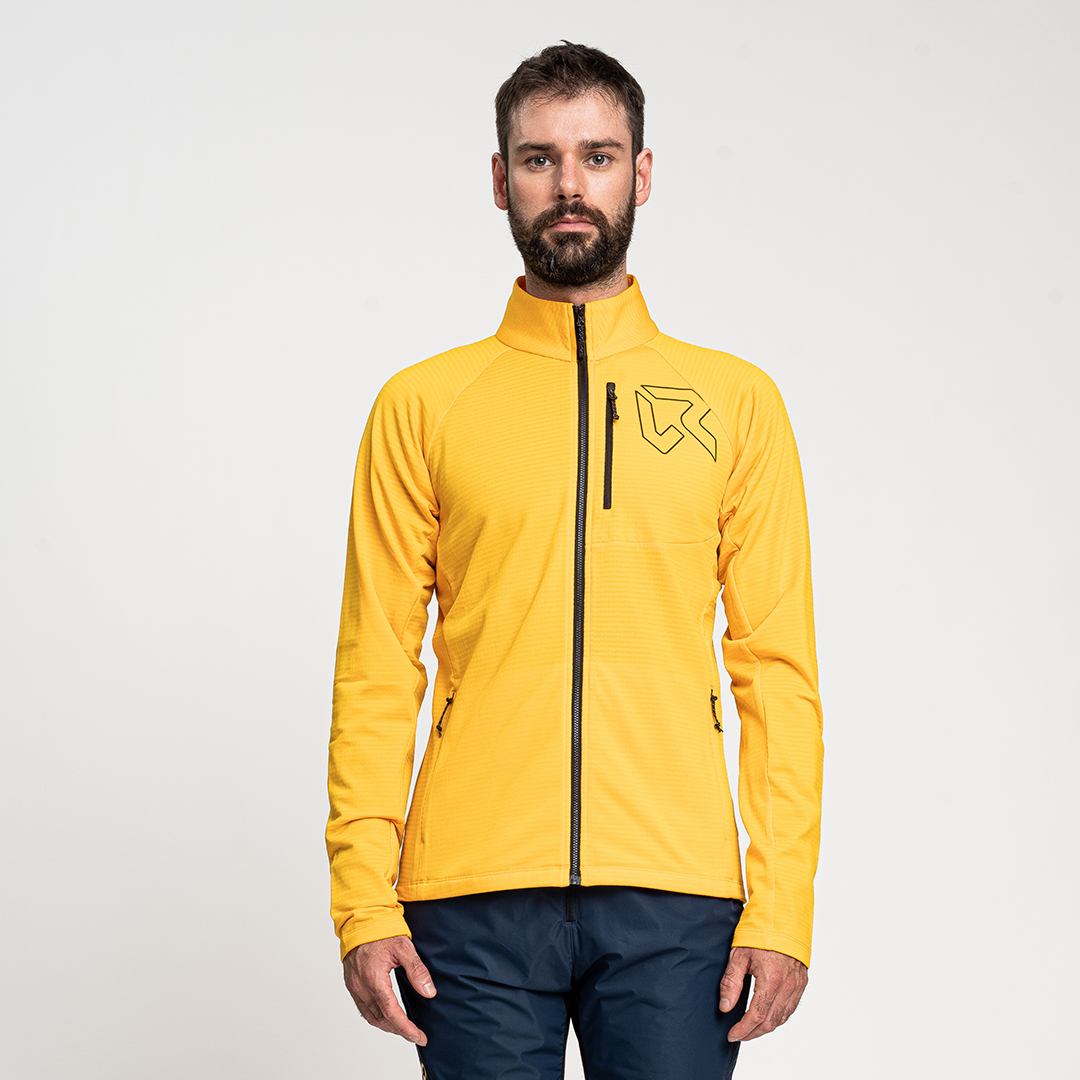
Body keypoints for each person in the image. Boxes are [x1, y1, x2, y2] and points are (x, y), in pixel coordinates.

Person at [327, 41, 823, 1079]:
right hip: (469, 893)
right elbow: (376, 670)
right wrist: (363, 901)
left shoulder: (737, 404)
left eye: (596, 156)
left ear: (640, 174)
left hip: (677, 896)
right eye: (539, 158)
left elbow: (777, 672)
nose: (569, 185)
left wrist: (781, 909)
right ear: (499, 179)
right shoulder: (423, 406)